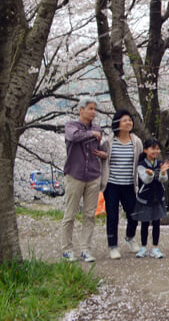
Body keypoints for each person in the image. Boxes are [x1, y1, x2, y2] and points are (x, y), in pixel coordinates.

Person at [61, 97, 108, 262]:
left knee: (89, 215)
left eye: (95, 109)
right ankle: (67, 249)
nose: (93, 112)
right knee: (70, 214)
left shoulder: (97, 129)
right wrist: (91, 134)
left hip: (93, 175)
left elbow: (100, 148)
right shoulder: (71, 126)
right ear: (81, 110)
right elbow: (74, 137)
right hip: (75, 174)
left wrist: (103, 154)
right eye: (90, 108)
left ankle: (85, 249)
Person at [101, 109, 143, 259]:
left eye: (130, 120)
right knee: (112, 215)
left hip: (129, 184)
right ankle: (113, 246)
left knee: (134, 214)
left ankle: (130, 237)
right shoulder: (109, 141)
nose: (128, 122)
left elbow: (141, 162)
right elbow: (102, 160)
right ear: (117, 123)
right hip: (111, 184)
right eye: (125, 120)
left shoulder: (136, 141)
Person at [132, 138, 169, 259]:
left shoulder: (160, 163)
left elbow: (163, 180)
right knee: (144, 222)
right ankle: (143, 246)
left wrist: (163, 172)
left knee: (156, 223)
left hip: (157, 197)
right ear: (145, 150)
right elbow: (145, 179)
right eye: (152, 148)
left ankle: (155, 247)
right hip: (145, 197)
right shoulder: (141, 164)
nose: (156, 151)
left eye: (157, 148)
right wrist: (150, 175)